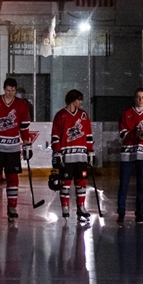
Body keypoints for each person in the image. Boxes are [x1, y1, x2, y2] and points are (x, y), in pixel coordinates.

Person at [0, 77, 33, 221]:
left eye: (13, 90)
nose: (10, 93)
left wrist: (27, 144)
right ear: (4, 89)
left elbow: (24, 127)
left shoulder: (21, 105)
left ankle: (12, 206)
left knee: (12, 177)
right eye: (8, 90)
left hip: (13, 147)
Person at [51, 89, 94, 227]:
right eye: (78, 99)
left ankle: (81, 207)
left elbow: (88, 135)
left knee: (81, 182)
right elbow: (55, 136)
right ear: (72, 99)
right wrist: (57, 152)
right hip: (66, 156)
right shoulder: (60, 115)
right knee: (66, 183)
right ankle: (65, 208)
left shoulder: (83, 115)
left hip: (81, 156)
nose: (80, 102)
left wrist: (90, 151)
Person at [116, 88, 143, 223]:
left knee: (141, 184)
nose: (140, 99)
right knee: (124, 183)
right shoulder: (126, 113)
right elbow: (122, 133)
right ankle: (121, 212)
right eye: (138, 97)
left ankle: (139, 213)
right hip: (127, 152)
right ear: (135, 98)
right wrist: (135, 133)